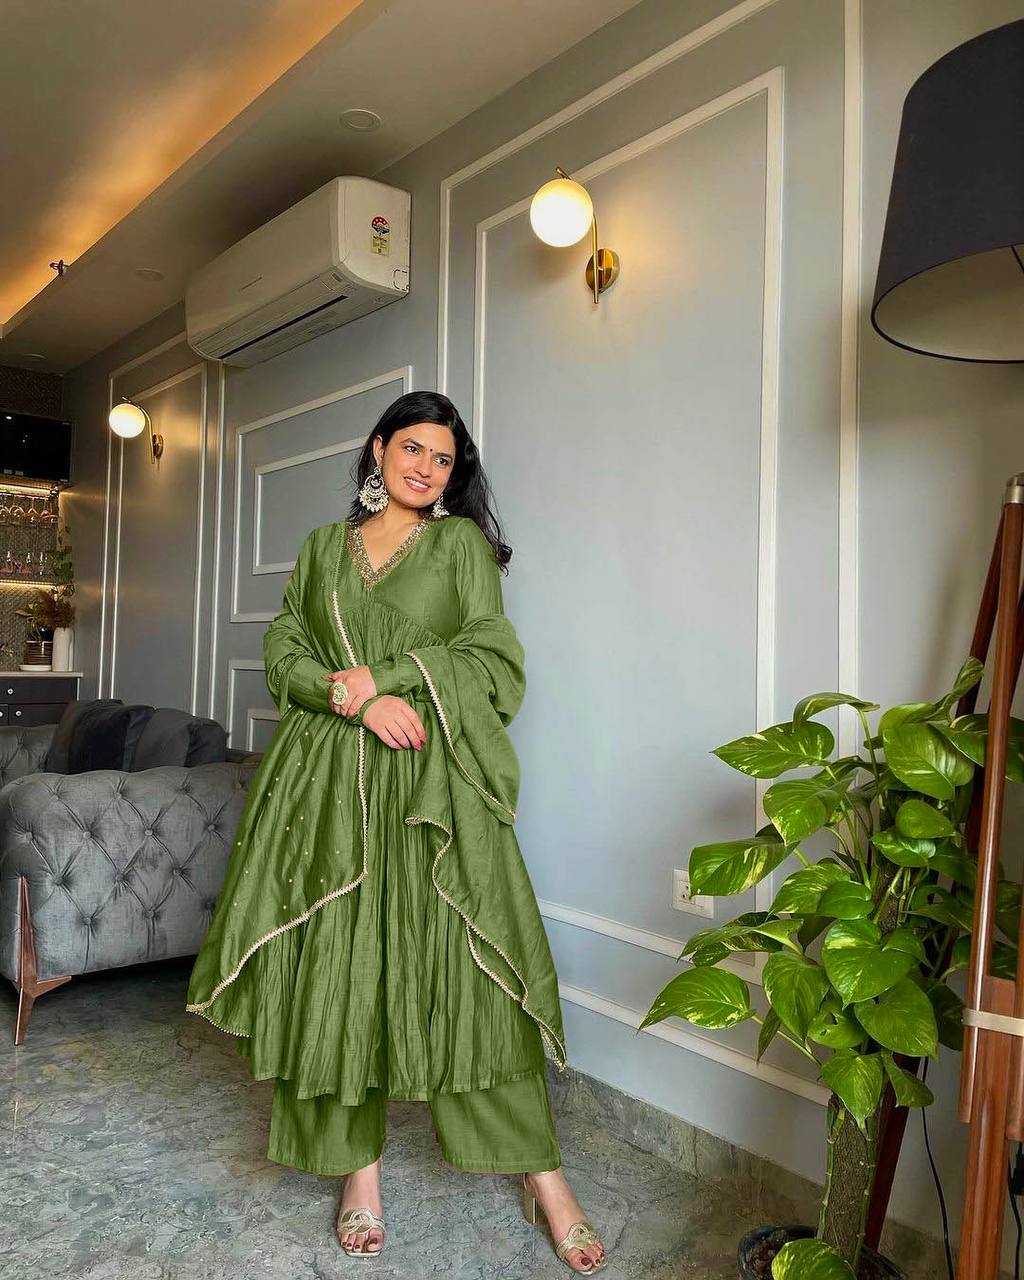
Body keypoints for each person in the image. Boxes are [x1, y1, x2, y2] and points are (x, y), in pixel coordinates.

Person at [186, 391, 607, 1274]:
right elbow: (286, 653)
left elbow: (492, 660)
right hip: (326, 786)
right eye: (412, 448)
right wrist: (353, 700)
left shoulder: (461, 549)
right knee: (342, 969)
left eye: (443, 458)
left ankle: (544, 1177)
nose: (426, 468)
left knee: (472, 971)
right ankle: (359, 1172)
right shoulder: (320, 549)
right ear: (378, 450)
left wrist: (385, 678)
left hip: (429, 788)